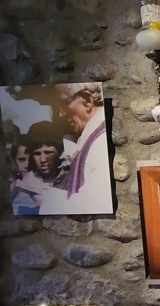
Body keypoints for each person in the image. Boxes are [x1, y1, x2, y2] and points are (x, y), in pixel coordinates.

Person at [40, 82, 112, 214]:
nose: (61, 114)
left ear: (87, 101)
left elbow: (99, 204)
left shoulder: (101, 141)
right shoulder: (90, 138)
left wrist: (47, 199)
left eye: (63, 104)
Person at [13, 122, 64, 216]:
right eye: (37, 153)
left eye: (48, 152)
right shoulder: (26, 186)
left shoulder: (70, 177)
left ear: (59, 152)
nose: (42, 160)